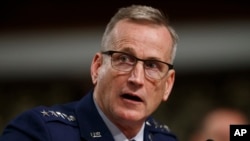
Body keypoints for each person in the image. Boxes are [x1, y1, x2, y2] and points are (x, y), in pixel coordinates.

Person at [0, 4, 179, 141]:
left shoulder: (166, 138)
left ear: (168, 85)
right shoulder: (40, 132)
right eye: (124, 59)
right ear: (97, 67)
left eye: (152, 65)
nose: (137, 79)